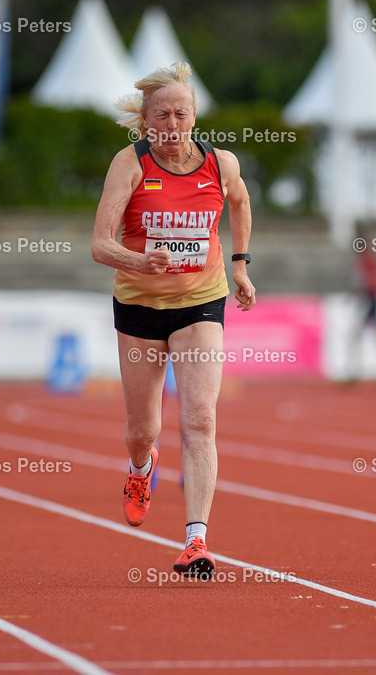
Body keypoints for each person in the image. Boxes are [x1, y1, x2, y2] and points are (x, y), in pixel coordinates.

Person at [92, 63, 256, 579]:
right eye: (160, 114)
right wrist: (138, 261)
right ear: (145, 121)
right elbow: (99, 244)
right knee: (144, 430)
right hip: (139, 306)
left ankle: (196, 541)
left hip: (201, 302)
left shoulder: (220, 162)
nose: (171, 123)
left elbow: (241, 201)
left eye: (180, 113)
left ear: (193, 116)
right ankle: (141, 470)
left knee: (201, 419)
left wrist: (240, 264)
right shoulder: (130, 164)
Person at [345, 232, 376, 383]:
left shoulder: (367, 261)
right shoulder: (369, 261)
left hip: (370, 301)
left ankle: (355, 371)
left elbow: (367, 283)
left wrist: (360, 296)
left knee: (360, 337)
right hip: (371, 301)